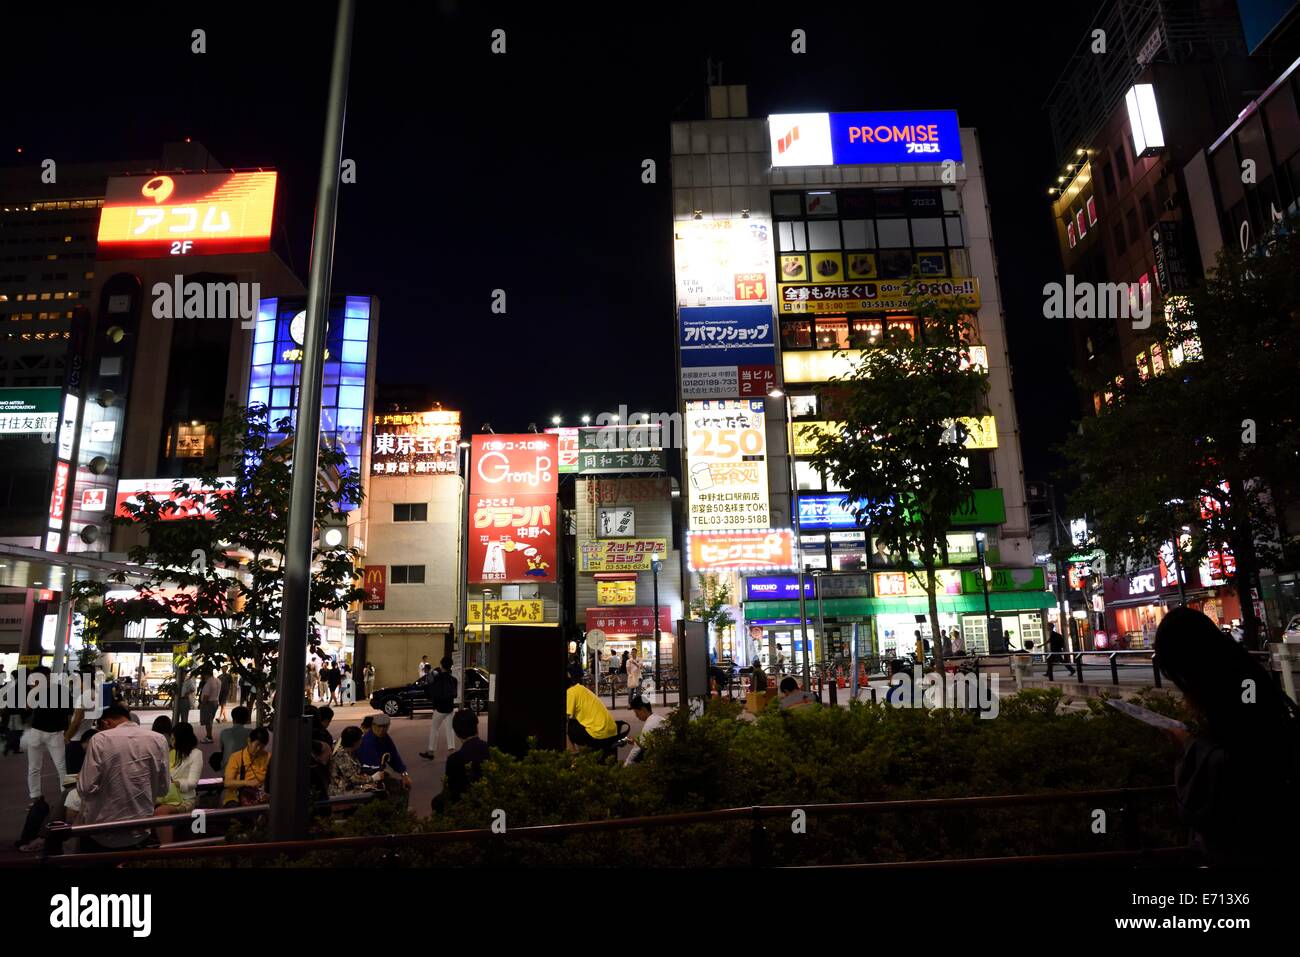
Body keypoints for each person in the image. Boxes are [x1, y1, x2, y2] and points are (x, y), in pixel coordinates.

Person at [1154, 607, 1300, 866]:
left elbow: (1243, 765)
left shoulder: (1229, 687)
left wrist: (1188, 745)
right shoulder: (1241, 672)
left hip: (1255, 838)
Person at [76, 704, 170, 850]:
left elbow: (86, 788)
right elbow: (163, 789)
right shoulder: (159, 740)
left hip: (103, 830)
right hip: (141, 829)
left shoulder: (100, 739)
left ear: (107, 722)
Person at [22, 666, 69, 806]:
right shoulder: (35, 691)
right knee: (35, 767)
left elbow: (67, 711)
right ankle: (36, 797)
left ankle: (64, 798)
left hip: (55, 732)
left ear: (48, 676)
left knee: (61, 767)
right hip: (38, 731)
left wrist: (67, 731)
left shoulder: (60, 690)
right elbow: (26, 710)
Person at [154, 723, 202, 841]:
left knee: (160, 812)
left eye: (173, 738)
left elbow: (193, 782)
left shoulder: (196, 754)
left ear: (182, 739)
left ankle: (168, 850)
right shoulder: (170, 753)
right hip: (166, 796)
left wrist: (175, 783)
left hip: (185, 799)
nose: (171, 741)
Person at [435, 709, 489, 810]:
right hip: (489, 800)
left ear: (456, 733)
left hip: (464, 806)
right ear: (476, 727)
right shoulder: (490, 750)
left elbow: (451, 790)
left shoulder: (454, 759)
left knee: (437, 802)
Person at [565, 665, 619, 754]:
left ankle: (574, 758)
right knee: (575, 723)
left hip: (599, 735)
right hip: (612, 731)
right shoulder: (581, 688)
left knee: (567, 728)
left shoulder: (570, 693)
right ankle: (583, 752)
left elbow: (566, 717)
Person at [357, 713, 411, 794]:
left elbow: (394, 756)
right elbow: (372, 767)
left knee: (404, 784)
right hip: (366, 774)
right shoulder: (368, 741)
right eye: (379, 726)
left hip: (378, 772)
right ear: (373, 726)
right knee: (395, 787)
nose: (382, 730)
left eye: (384, 727)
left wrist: (404, 774)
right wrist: (387, 775)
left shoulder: (385, 737)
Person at [419, 657, 458, 762]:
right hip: (450, 708)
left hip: (439, 709)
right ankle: (451, 751)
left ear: (441, 665)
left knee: (434, 729)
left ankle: (431, 752)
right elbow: (455, 694)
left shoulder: (437, 678)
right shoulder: (453, 679)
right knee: (449, 729)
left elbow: (430, 691)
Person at [222, 726, 270, 806]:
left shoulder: (268, 757)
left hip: (260, 796)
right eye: (256, 745)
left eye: (262, 747)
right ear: (249, 741)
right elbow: (227, 782)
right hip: (238, 795)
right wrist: (247, 783)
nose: (258, 749)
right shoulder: (236, 757)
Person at [328, 726, 373, 797]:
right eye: (360, 739)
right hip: (341, 792)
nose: (362, 741)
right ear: (355, 742)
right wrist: (373, 778)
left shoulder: (350, 752)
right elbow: (352, 779)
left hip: (349, 788)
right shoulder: (341, 755)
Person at [624, 694, 665, 766]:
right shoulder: (658, 718)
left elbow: (636, 751)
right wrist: (635, 742)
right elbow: (645, 744)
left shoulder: (649, 725)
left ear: (643, 709)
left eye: (636, 712)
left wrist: (626, 765)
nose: (636, 716)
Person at [217, 705, 252, 771]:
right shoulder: (251, 733)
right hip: (245, 768)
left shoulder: (224, 732)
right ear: (247, 719)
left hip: (227, 768)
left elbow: (222, 749)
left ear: (233, 718)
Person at [198, 669, 221, 743]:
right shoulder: (218, 680)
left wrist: (202, 704)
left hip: (208, 703)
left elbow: (206, 695)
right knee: (210, 720)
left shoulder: (209, 682)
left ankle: (209, 736)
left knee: (208, 721)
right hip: (215, 701)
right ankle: (208, 736)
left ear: (206, 675)